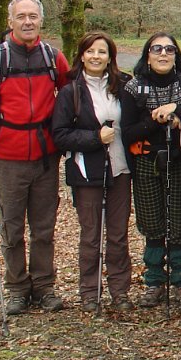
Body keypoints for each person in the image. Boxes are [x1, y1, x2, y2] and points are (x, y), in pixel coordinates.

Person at [0, 0, 70, 314]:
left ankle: (43, 286)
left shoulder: (54, 58)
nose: (27, 22)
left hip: (45, 156)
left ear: (41, 21)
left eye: (33, 16)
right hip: (8, 157)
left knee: (44, 227)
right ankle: (16, 288)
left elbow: (70, 95)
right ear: (10, 21)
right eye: (21, 16)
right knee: (12, 228)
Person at [51, 32, 133, 312]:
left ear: (110, 57)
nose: (96, 57)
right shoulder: (70, 92)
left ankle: (120, 291)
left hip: (121, 169)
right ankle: (90, 291)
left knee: (118, 234)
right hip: (87, 172)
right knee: (91, 234)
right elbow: (60, 134)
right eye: (90, 51)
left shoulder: (123, 85)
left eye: (102, 52)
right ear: (82, 55)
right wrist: (95, 138)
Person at [121, 33, 181, 308]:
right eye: (157, 49)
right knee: (152, 223)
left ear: (176, 54)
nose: (163, 54)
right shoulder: (133, 87)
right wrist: (157, 120)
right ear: (148, 54)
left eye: (169, 49)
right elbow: (127, 132)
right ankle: (154, 280)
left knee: (178, 222)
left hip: (179, 160)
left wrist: (177, 111)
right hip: (147, 162)